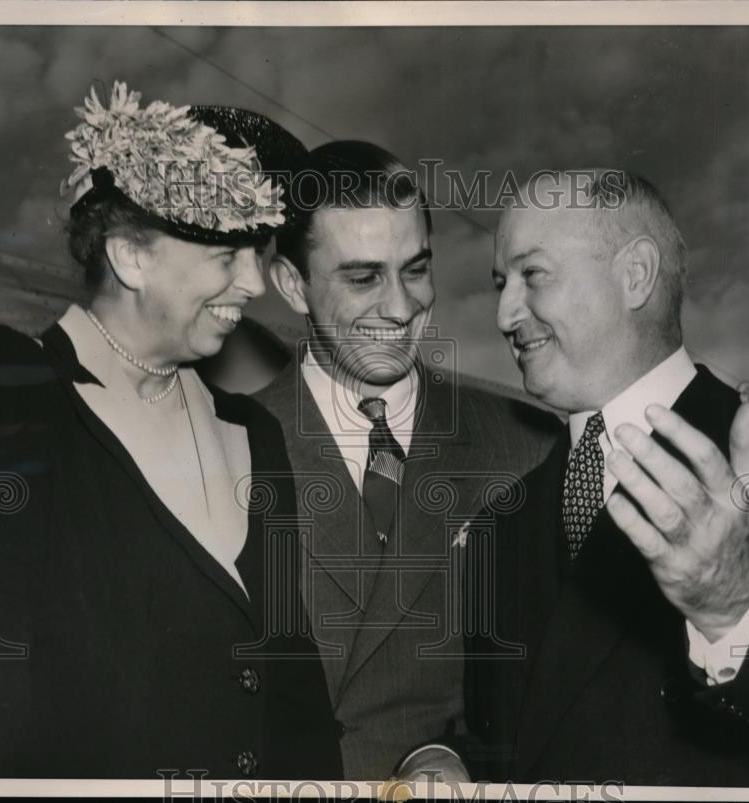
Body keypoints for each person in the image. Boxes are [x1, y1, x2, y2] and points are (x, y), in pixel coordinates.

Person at [0, 81, 342, 780]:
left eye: (259, 254)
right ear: (131, 254)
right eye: (228, 254)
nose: (254, 284)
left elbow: (294, 693)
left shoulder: (253, 432)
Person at [464, 169, 749, 792]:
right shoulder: (503, 522)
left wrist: (736, 603)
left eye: (532, 274)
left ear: (635, 274)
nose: (504, 313)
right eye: (500, 283)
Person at [252, 141, 561, 780]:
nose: (400, 307)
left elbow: (554, 705)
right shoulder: (220, 443)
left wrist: (456, 757)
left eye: (415, 270)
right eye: (363, 278)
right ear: (291, 284)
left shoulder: (526, 447)